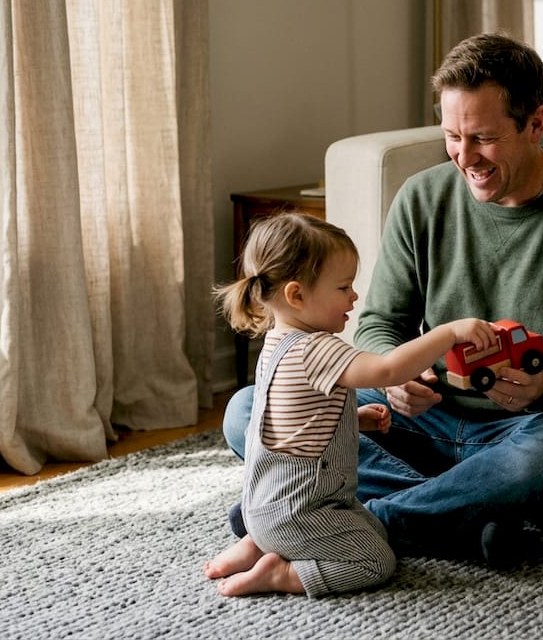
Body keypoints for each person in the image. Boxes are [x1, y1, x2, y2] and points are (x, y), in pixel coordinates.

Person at [222, 32, 543, 567]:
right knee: (248, 408)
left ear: (536, 123)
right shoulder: (421, 197)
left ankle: (366, 521)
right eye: (452, 136)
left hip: (520, 431)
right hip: (413, 424)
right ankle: (460, 517)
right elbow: (380, 321)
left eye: (484, 138)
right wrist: (396, 378)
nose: (464, 157)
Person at [204, 212, 495, 597]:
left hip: (264, 505)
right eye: (343, 287)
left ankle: (257, 543)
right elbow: (388, 369)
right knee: (375, 558)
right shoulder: (317, 348)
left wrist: (354, 419)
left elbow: (294, 420)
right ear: (296, 295)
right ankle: (280, 573)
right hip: (302, 513)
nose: (354, 297)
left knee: (373, 528)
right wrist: (448, 333)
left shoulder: (276, 342)